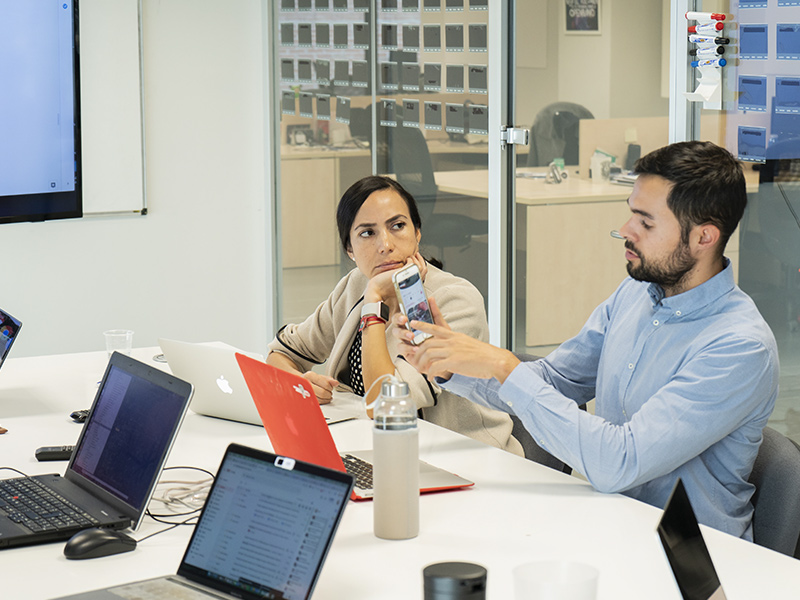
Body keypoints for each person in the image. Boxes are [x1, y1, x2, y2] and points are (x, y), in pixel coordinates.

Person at [393, 141, 779, 540]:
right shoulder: (635, 295)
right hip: (611, 521)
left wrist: (502, 365)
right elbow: (554, 381)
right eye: (632, 213)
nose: (626, 231)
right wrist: (448, 365)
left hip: (692, 556)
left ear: (704, 238)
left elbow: (619, 461)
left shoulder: (739, 347)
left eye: (646, 223)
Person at [267, 175, 523, 456]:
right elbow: (283, 352)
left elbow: (385, 406)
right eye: (367, 233)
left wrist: (375, 299)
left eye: (398, 226)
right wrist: (295, 381)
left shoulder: (454, 300)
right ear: (349, 249)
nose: (385, 244)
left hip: (465, 458)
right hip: (374, 446)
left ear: (417, 233)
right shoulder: (355, 284)